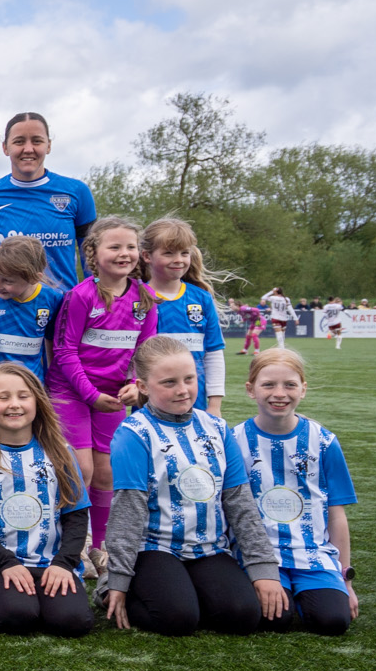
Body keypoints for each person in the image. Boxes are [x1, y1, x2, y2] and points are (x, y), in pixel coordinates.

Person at [101, 335, 285, 636]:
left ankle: (185, 590)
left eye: (189, 379)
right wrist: (118, 580)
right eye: (169, 382)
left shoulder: (217, 428)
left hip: (208, 548)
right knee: (177, 619)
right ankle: (132, 587)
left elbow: (239, 502)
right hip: (154, 547)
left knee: (243, 616)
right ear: (143, 386)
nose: (183, 390)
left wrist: (264, 569)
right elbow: (128, 512)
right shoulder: (134, 434)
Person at [49, 216, 156, 574]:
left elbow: (144, 351)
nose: (124, 253)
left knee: (107, 473)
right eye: (115, 246)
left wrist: (135, 384)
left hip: (112, 398)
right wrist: (91, 394)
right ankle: (71, 545)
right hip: (71, 393)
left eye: (130, 247)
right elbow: (64, 352)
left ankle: (100, 546)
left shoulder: (145, 298)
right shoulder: (81, 296)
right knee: (81, 469)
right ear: (93, 253)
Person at [0, 364, 94, 637]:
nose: (14, 404)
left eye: (23, 396)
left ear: (37, 402)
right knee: (17, 617)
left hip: (52, 562)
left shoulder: (62, 453)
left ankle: (43, 596)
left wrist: (63, 564)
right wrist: (6, 563)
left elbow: (76, 516)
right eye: (3, 397)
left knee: (72, 622)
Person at [233, 349, 357, 636]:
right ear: (251, 390)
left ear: (303, 389)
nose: (280, 393)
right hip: (260, 556)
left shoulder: (323, 441)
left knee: (333, 621)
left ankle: (310, 593)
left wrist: (346, 580)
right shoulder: (235, 440)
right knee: (274, 620)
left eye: (289, 385)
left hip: (312, 554)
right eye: (268, 385)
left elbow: (336, 514)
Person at [0, 112, 98, 291]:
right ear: (5, 147)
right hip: (9, 304)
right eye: (19, 141)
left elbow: (91, 255)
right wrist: (4, 269)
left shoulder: (76, 191)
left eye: (37, 141)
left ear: (48, 145)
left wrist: (93, 296)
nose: (28, 149)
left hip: (63, 303)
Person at [141, 217, 227, 414]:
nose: (178, 259)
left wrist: (215, 405)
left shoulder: (202, 298)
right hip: (149, 407)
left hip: (196, 405)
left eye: (184, 253)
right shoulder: (137, 297)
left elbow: (213, 353)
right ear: (147, 255)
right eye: (169, 253)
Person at [0, 235, 60, 386]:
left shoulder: (52, 299)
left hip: (31, 384)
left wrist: (52, 381)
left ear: (34, 278)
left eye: (7, 281)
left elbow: (52, 341)